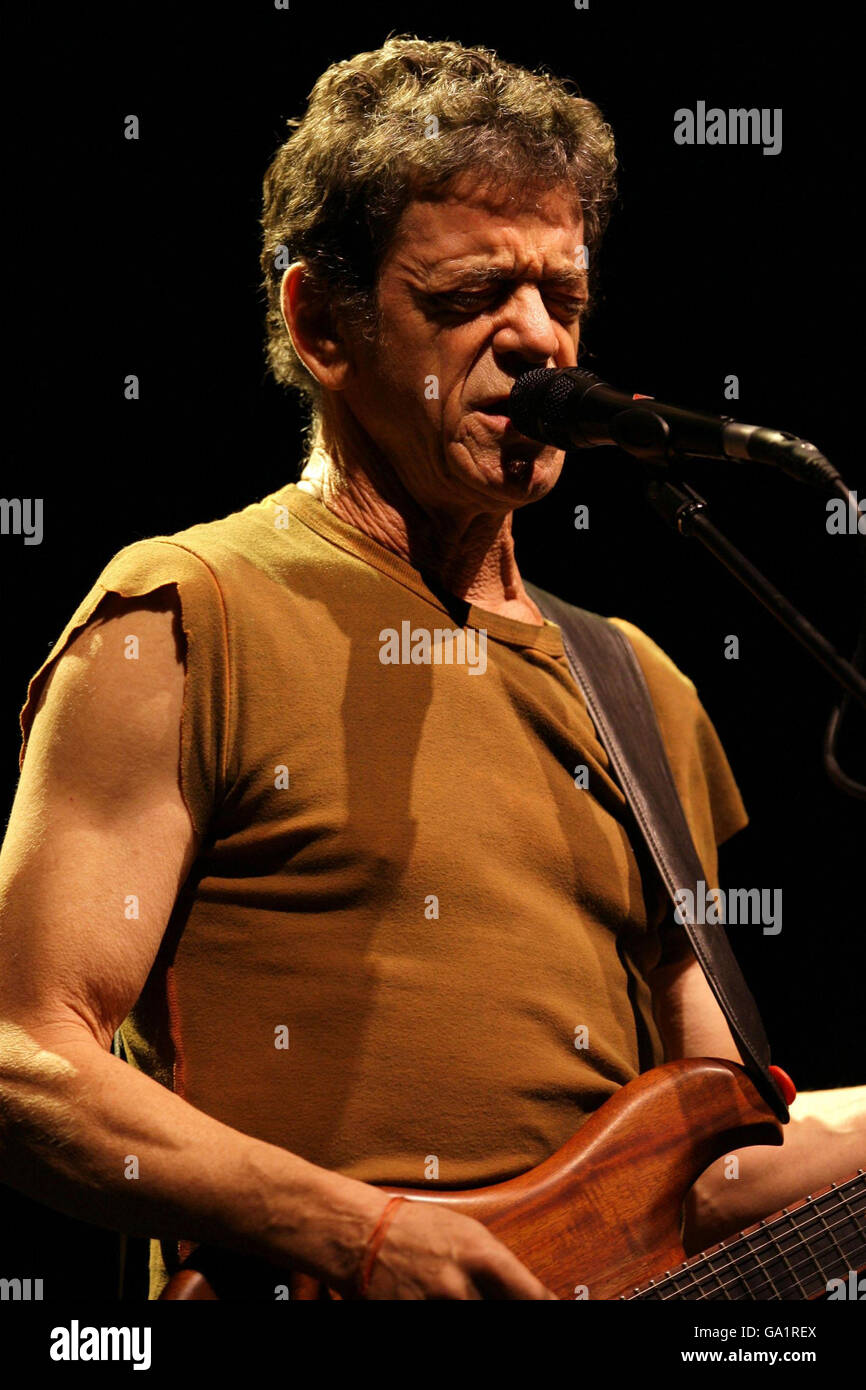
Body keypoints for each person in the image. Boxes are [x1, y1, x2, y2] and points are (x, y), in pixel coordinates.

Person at [1, 36, 862, 1302]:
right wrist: (354, 1230)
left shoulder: (641, 690)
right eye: (467, 299)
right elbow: (25, 1061)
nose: (535, 343)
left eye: (560, 297)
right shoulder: (186, 614)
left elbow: (717, 1167)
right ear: (321, 326)